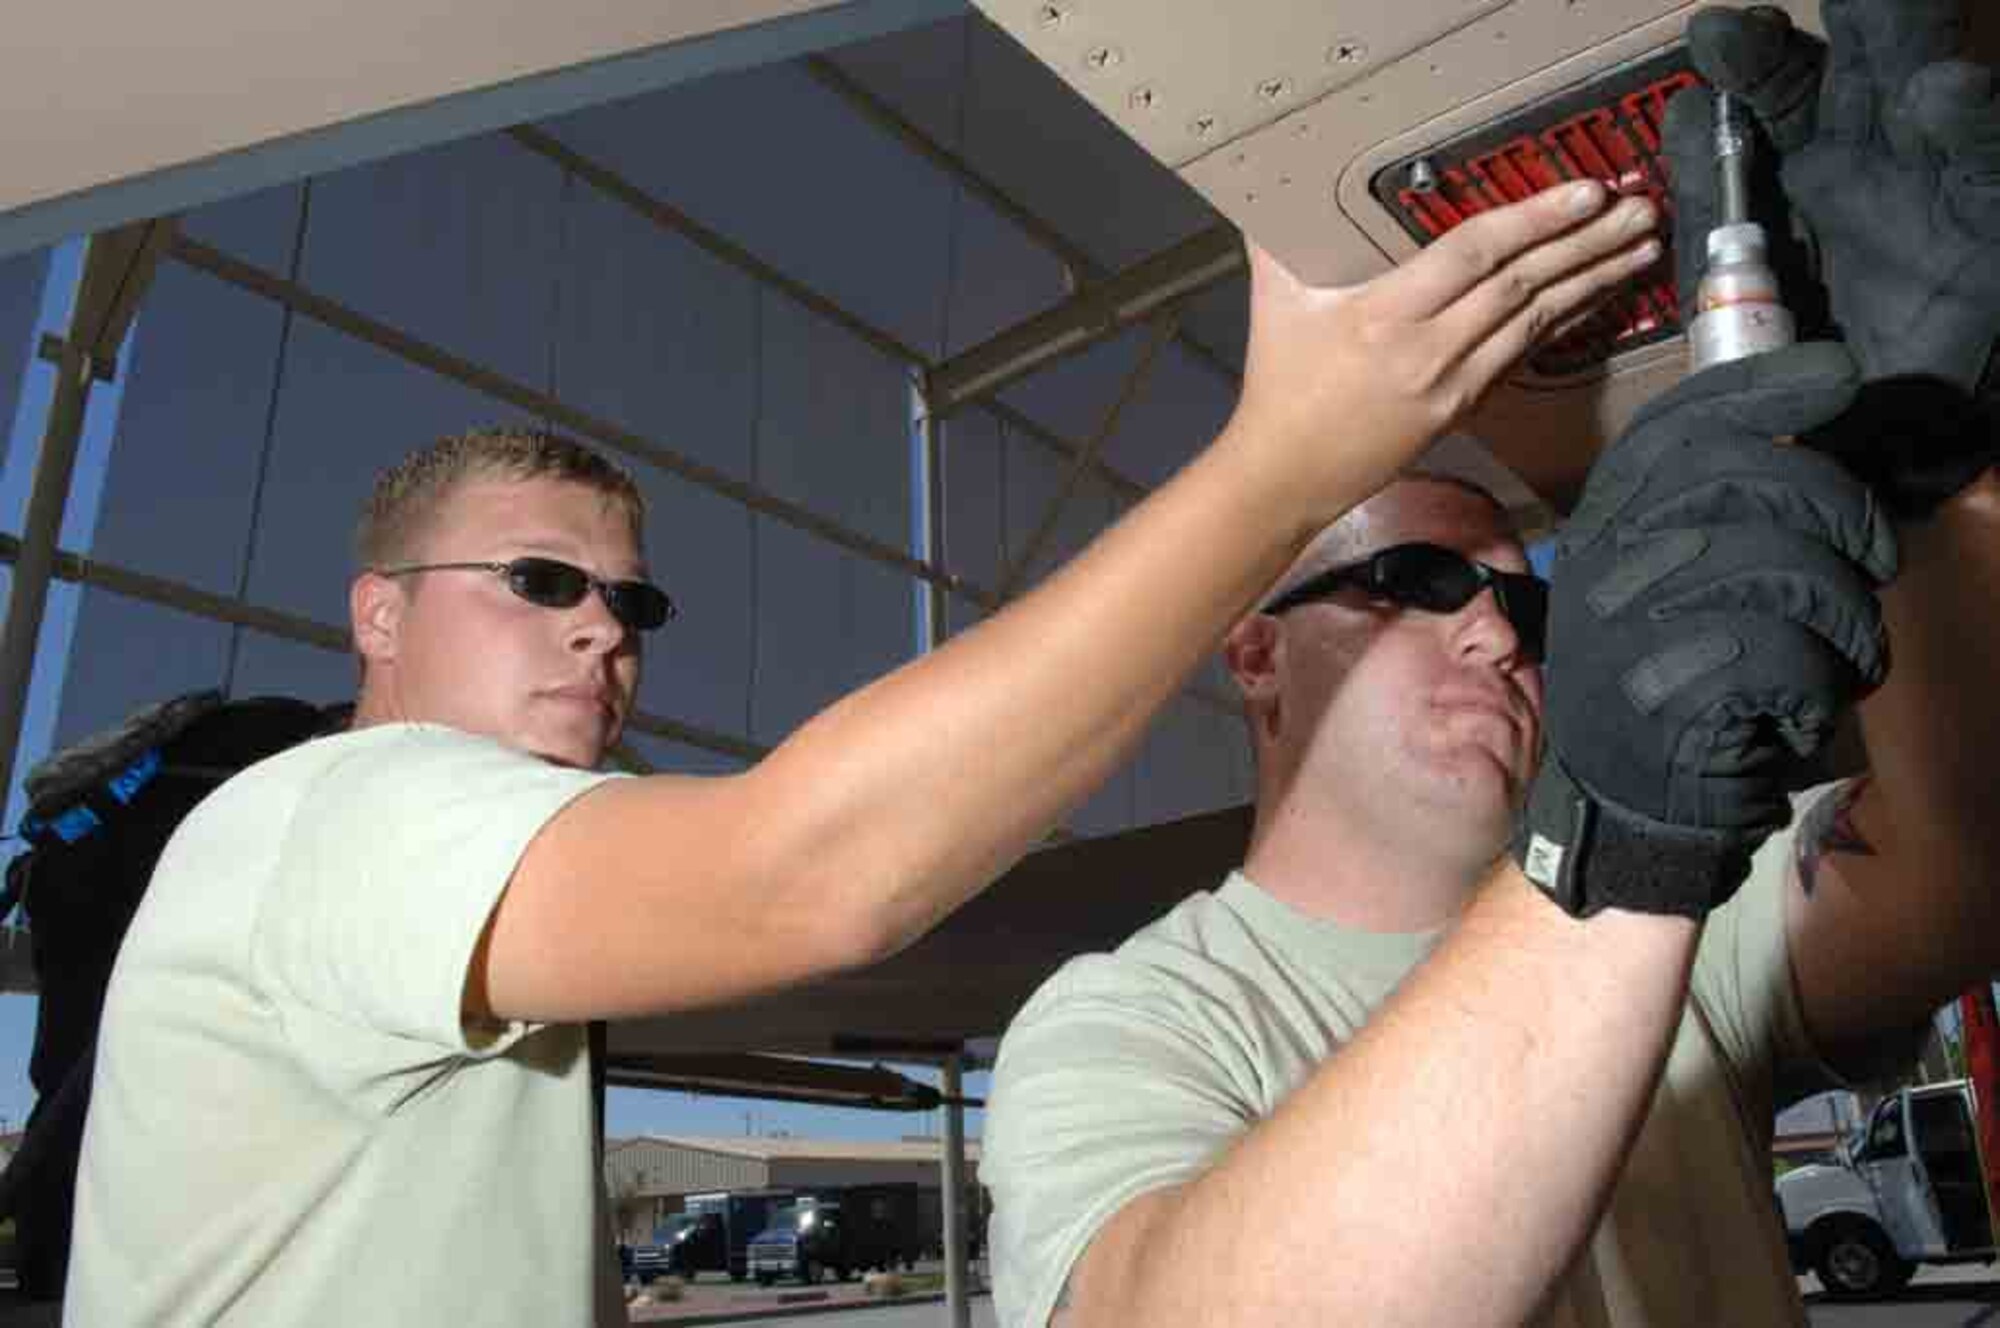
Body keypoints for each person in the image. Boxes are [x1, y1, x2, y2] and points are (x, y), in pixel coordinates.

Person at [56, 159, 1663, 1322]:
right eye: (540, 582)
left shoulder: (447, 906)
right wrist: (1280, 470)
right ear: (378, 617)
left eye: (633, 600)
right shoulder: (346, 807)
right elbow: (812, 870)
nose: (606, 629)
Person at [979, 0, 2000, 1323]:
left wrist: (1933, 482)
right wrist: (1615, 844)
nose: (1495, 629)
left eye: (1530, 609)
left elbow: (1960, 873)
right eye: (1418, 582)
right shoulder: (1137, 1020)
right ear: (1255, 656)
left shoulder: (1693, 928)